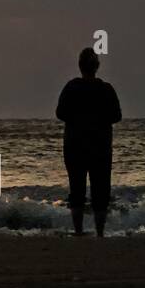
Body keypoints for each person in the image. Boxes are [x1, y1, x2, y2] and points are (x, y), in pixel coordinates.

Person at [56, 48, 121, 237]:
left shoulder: (71, 87)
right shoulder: (106, 89)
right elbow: (116, 116)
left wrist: (78, 118)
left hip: (74, 146)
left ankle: (79, 230)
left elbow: (60, 113)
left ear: (80, 66)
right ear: (97, 67)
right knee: (101, 191)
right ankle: (100, 232)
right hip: (100, 147)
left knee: (76, 189)